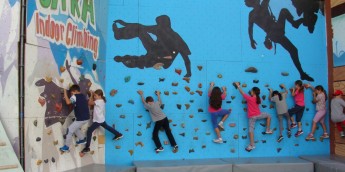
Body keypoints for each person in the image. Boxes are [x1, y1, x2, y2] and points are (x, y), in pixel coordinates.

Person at [245, 0, 314, 81]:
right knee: (293, 50)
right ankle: (302, 73)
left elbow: (250, 28)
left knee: (293, 50)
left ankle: (295, 23)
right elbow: (250, 28)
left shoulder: (255, 12)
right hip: (274, 32)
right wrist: (251, 40)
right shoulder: (256, 11)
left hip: (276, 30)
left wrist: (251, 40)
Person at [113, 15, 192, 77]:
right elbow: (140, 27)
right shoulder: (158, 28)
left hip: (164, 58)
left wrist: (189, 72)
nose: (158, 26)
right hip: (155, 49)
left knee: (143, 60)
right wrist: (124, 24)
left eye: (159, 24)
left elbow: (185, 57)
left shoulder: (176, 38)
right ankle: (118, 34)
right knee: (140, 30)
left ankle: (126, 59)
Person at [81, 89, 123, 154]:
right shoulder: (101, 100)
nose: (94, 97)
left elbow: (89, 103)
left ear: (100, 96)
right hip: (101, 119)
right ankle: (118, 134)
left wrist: (91, 95)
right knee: (107, 127)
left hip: (98, 120)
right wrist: (92, 94)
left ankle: (87, 148)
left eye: (96, 96)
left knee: (89, 131)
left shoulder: (99, 101)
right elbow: (93, 101)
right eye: (94, 96)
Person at [235, 82, 272, 152]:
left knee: (250, 131)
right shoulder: (258, 99)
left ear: (254, 92)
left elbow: (242, 93)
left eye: (251, 91)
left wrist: (238, 85)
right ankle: (267, 129)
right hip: (259, 115)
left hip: (252, 117)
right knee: (269, 115)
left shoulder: (250, 99)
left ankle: (252, 144)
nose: (250, 92)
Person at [60, 85, 90, 152]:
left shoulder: (75, 96)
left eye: (71, 93)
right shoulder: (83, 96)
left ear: (75, 91)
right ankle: (82, 139)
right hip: (86, 118)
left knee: (69, 130)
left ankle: (66, 146)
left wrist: (65, 91)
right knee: (75, 128)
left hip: (81, 119)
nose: (71, 94)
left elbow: (68, 102)